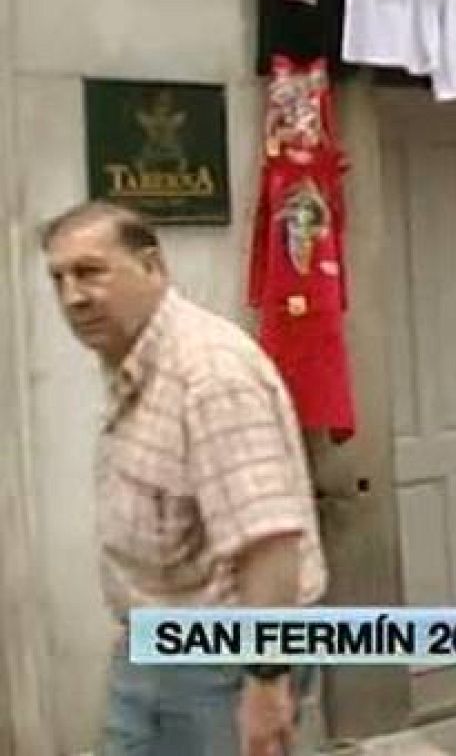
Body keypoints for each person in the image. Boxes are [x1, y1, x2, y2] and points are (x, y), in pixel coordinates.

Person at [41, 202, 326, 756]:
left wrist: (266, 683)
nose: (73, 296)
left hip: (224, 661)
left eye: (91, 271)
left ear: (152, 266)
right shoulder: (137, 360)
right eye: (60, 279)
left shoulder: (211, 373)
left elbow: (268, 541)